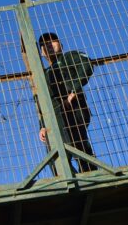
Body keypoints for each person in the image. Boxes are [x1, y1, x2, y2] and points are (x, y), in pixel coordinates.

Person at [37, 32, 95, 171]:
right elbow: (41, 101)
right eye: (44, 44)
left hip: (72, 107)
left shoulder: (68, 57)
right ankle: (70, 180)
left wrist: (74, 90)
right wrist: (42, 125)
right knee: (55, 156)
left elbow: (86, 64)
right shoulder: (44, 73)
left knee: (75, 144)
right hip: (53, 116)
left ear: (61, 45)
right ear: (42, 52)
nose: (49, 45)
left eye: (53, 41)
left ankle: (91, 175)